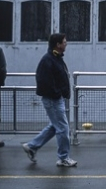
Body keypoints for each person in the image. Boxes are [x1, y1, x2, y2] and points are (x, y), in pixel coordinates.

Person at [22, 33, 78, 167]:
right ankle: (63, 158)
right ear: (58, 45)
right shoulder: (49, 60)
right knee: (63, 128)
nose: (66, 44)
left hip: (54, 98)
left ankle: (32, 146)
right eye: (64, 42)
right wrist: (57, 93)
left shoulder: (54, 58)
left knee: (55, 126)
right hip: (53, 99)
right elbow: (44, 81)